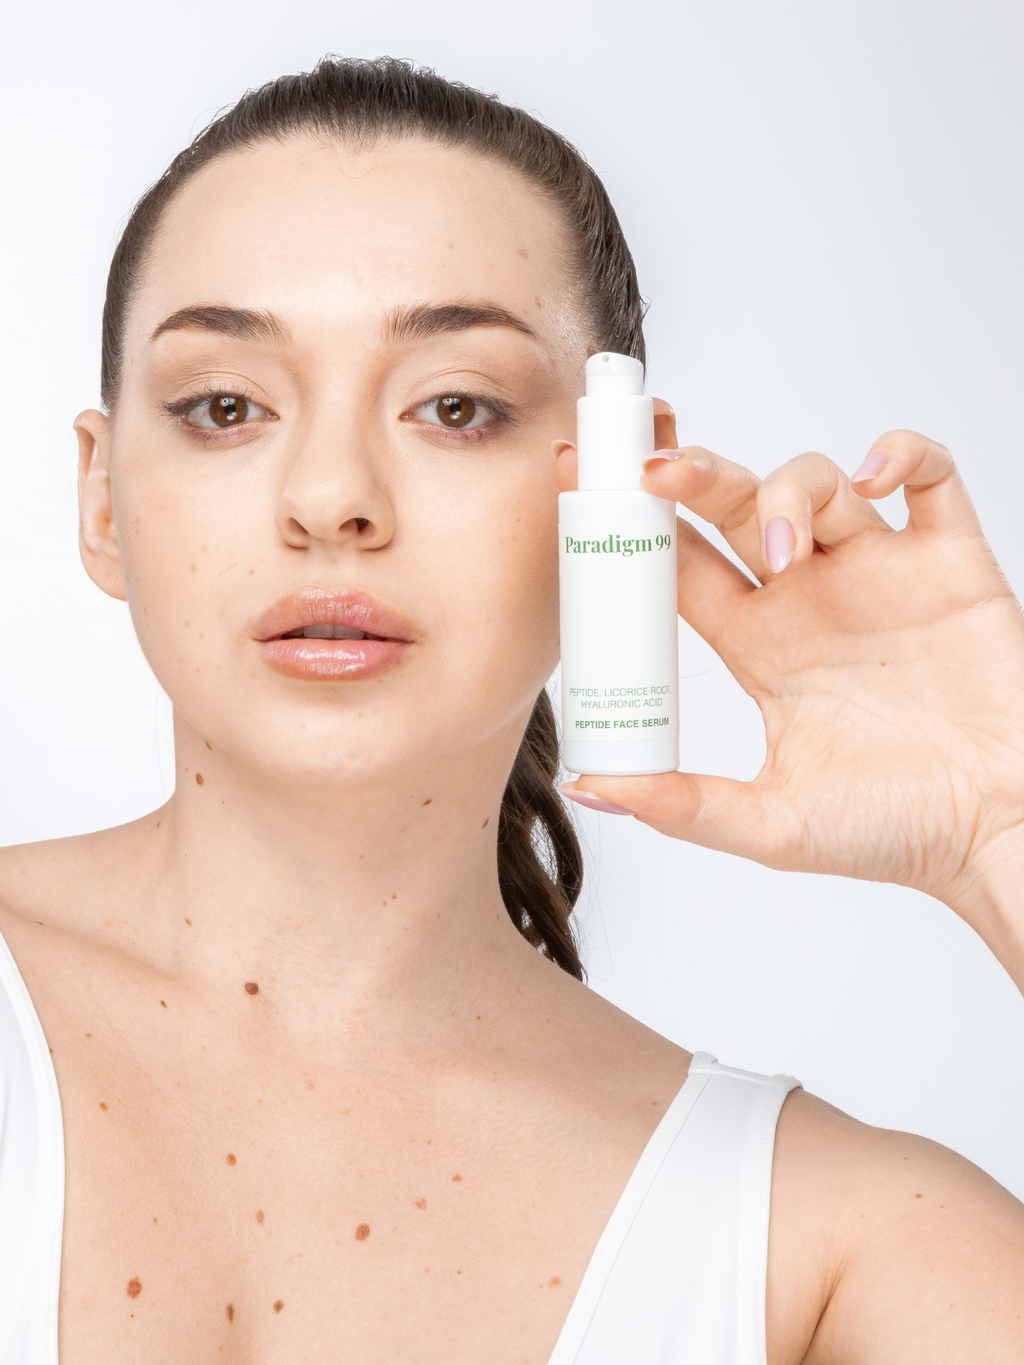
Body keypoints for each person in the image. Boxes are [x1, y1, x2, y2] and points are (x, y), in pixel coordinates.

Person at [0, 55, 1021, 1364]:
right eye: (226, 406)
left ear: (617, 495)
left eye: (455, 407)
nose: (329, 498)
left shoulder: (825, 1246)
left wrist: (1003, 824)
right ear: (103, 504)